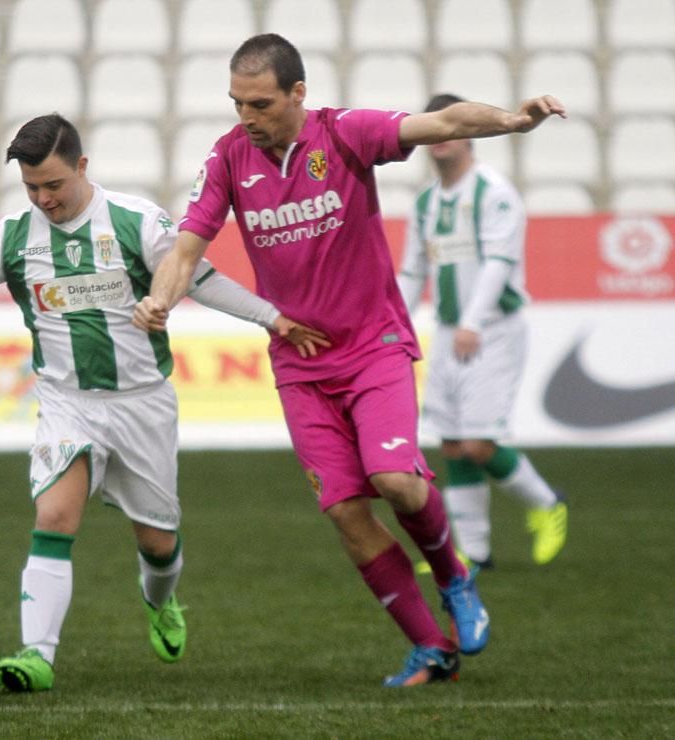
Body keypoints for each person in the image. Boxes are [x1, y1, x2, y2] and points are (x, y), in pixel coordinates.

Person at [0, 113, 328, 693]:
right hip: (67, 404)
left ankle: (160, 599)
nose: (44, 199)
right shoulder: (15, 235)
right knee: (55, 517)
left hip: (142, 404)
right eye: (31, 188)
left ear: (82, 168)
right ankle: (36, 656)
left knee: (158, 543)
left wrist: (272, 318)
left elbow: (200, 276)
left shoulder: (135, 221)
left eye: (54, 185)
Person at [134, 33, 567, 687]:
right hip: (300, 363)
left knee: (394, 479)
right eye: (236, 103)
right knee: (344, 511)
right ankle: (430, 646)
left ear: (297, 94)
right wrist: (159, 300)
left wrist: (512, 120)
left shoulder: (345, 135)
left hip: (373, 347)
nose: (245, 117)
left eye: (259, 103)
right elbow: (188, 247)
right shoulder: (227, 159)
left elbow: (444, 122)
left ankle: (454, 575)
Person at [398, 93, 568, 570]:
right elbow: (413, 271)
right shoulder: (427, 202)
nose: (440, 140)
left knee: (478, 442)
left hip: (492, 330)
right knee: (452, 443)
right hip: (451, 331)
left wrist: (472, 322)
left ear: (468, 132)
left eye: (449, 128)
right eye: (433, 130)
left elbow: (499, 262)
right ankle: (472, 551)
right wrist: (393, 325)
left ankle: (547, 502)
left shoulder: (493, 191)